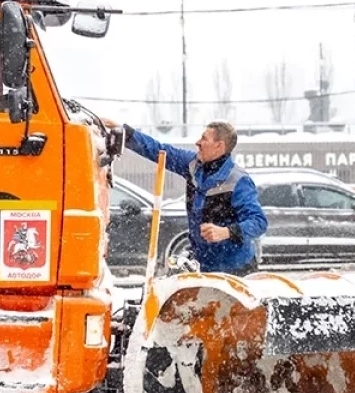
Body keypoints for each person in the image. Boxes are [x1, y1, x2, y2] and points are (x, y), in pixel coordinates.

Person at [102, 117, 267, 275]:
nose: (197, 143)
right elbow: (159, 150)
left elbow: (259, 222)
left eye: (204, 139)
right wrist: (125, 132)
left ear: (219, 146)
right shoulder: (193, 166)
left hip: (236, 269)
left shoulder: (238, 181)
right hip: (204, 266)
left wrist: (226, 232)